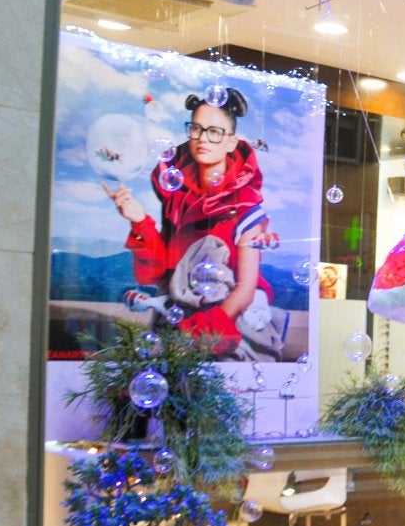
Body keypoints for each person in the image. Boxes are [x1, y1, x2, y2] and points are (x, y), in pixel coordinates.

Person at [104, 87, 281, 359]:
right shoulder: (178, 198)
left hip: (221, 323)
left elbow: (245, 289)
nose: (203, 139)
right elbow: (157, 273)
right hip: (177, 316)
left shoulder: (245, 207)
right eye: (196, 129)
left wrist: (201, 332)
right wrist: (139, 221)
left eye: (215, 132)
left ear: (232, 142)